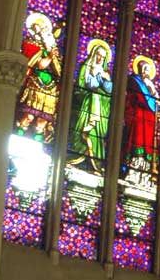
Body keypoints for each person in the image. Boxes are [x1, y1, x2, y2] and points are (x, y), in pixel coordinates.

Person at [16, 12, 62, 143]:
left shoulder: (52, 49)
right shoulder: (30, 44)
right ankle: (19, 138)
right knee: (28, 116)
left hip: (51, 89)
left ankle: (38, 142)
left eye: (46, 29)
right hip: (35, 83)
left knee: (42, 121)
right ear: (35, 29)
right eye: (41, 28)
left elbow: (59, 71)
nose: (45, 31)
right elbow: (40, 65)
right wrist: (49, 56)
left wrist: (53, 55)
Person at [71, 39, 113, 172]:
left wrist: (107, 79)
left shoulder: (105, 71)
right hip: (86, 102)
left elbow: (110, 90)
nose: (100, 58)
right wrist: (94, 74)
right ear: (93, 54)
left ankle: (96, 163)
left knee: (97, 135)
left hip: (102, 109)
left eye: (103, 57)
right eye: (98, 55)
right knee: (94, 96)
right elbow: (88, 85)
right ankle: (78, 156)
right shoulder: (87, 67)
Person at [124, 55, 160, 181]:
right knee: (137, 140)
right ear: (139, 69)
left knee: (148, 146)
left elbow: (156, 104)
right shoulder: (134, 81)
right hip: (138, 116)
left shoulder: (150, 84)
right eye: (144, 68)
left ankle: (146, 174)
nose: (146, 71)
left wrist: (152, 89)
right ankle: (133, 171)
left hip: (149, 119)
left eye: (148, 69)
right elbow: (134, 98)